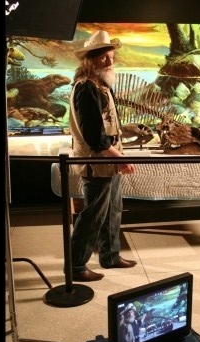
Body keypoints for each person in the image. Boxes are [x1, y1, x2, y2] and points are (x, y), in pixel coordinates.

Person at [68, 30, 137, 282]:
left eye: (111, 57)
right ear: (90, 60)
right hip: (98, 163)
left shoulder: (103, 87)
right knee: (92, 214)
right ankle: (75, 267)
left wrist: (117, 156)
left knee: (113, 210)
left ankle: (110, 256)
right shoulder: (86, 88)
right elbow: (95, 137)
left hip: (110, 160)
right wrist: (119, 157)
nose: (109, 62)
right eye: (103, 58)